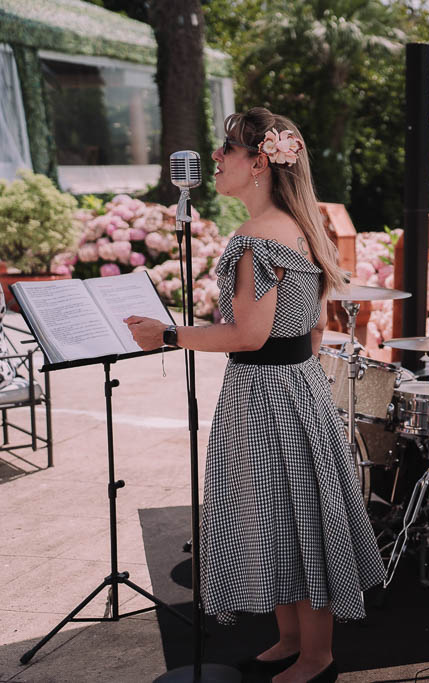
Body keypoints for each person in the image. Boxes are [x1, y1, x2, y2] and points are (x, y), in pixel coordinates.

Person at [126, 107, 384, 683]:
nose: (215, 160)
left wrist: (166, 335)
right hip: (295, 386)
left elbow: (248, 334)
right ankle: (292, 640)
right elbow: (312, 329)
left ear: (259, 162)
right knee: (293, 514)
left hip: (266, 392)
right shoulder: (301, 226)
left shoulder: (254, 239)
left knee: (283, 515)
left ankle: (316, 658)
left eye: (227, 151)